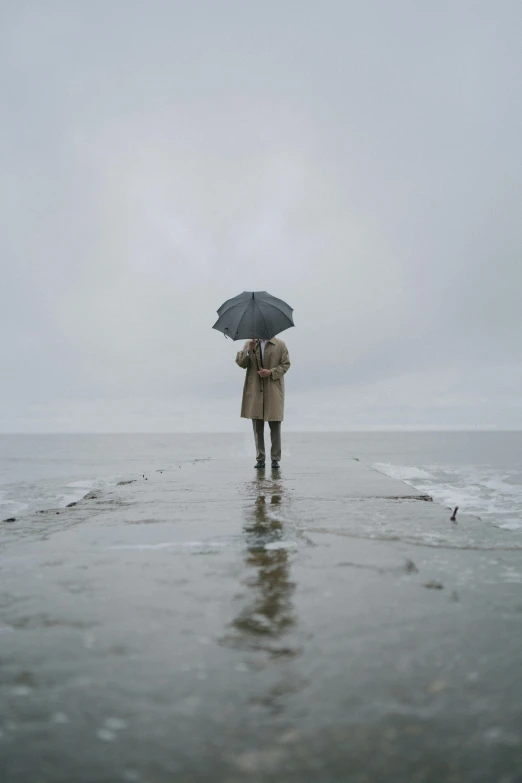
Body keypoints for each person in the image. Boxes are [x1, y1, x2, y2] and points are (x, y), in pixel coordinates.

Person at [235, 336, 291, 469]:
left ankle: (275, 459)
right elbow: (241, 363)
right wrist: (249, 350)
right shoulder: (250, 343)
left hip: (273, 390)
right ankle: (260, 459)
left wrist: (270, 372)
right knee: (257, 426)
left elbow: (286, 364)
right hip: (255, 390)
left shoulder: (280, 345)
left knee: (275, 425)